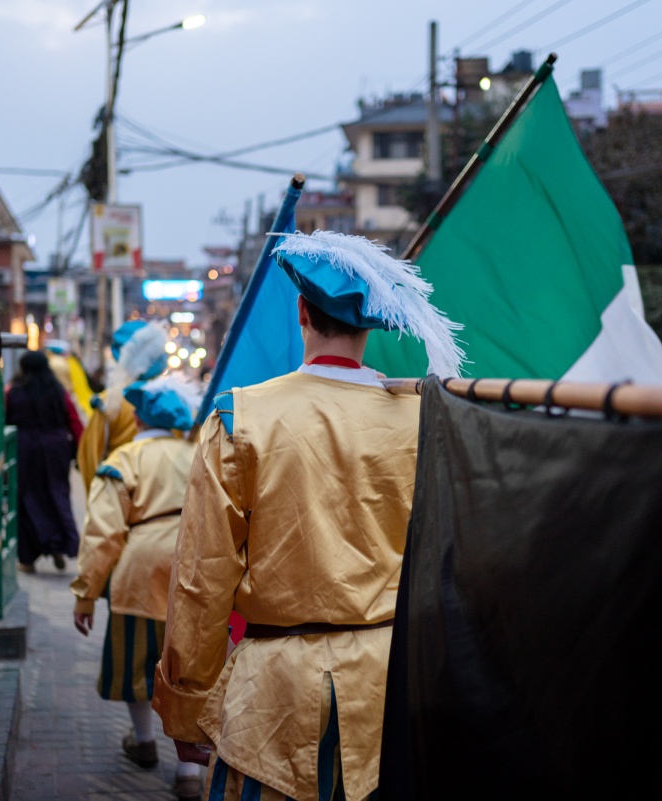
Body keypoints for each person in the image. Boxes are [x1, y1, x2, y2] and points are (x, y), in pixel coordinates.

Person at [153, 230, 464, 800]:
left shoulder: (239, 419)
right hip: (394, 689)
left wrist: (186, 704)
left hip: (273, 697)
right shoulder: (425, 417)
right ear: (370, 325)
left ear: (301, 310)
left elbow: (202, 578)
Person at [70, 375, 203, 800]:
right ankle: (188, 770)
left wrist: (86, 593)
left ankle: (144, 741)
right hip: (197, 567)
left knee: (136, 662)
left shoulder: (124, 458)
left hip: (139, 572)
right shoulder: (200, 453)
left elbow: (102, 532)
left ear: (141, 418)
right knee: (192, 671)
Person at [5, 350, 83, 572]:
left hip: (25, 449)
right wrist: (80, 452)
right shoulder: (59, 391)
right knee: (56, 494)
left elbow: (3, 422)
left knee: (27, 500)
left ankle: (28, 560)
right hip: (55, 449)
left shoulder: (14, 392)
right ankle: (57, 544)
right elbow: (74, 421)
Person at [78, 321, 169, 492]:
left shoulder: (111, 402)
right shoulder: (174, 402)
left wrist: (99, 501)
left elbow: (89, 459)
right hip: (165, 500)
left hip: (121, 497)